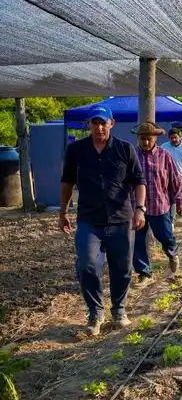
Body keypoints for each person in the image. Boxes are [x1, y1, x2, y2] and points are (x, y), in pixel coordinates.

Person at [59, 105, 146, 336]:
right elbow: (67, 182)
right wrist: (63, 212)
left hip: (121, 219)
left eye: (103, 123)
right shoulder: (76, 150)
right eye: (94, 123)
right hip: (89, 219)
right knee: (87, 265)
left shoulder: (125, 149)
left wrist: (140, 209)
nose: (99, 127)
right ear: (88, 125)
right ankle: (95, 312)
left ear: (112, 124)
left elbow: (139, 181)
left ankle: (118, 310)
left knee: (123, 268)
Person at [131, 122, 182, 288]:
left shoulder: (164, 155)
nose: (145, 142)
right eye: (142, 139)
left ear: (155, 138)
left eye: (149, 139)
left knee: (165, 236)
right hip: (137, 207)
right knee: (138, 240)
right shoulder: (132, 155)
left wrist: (180, 200)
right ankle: (144, 273)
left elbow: (175, 180)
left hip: (159, 205)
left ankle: (172, 252)